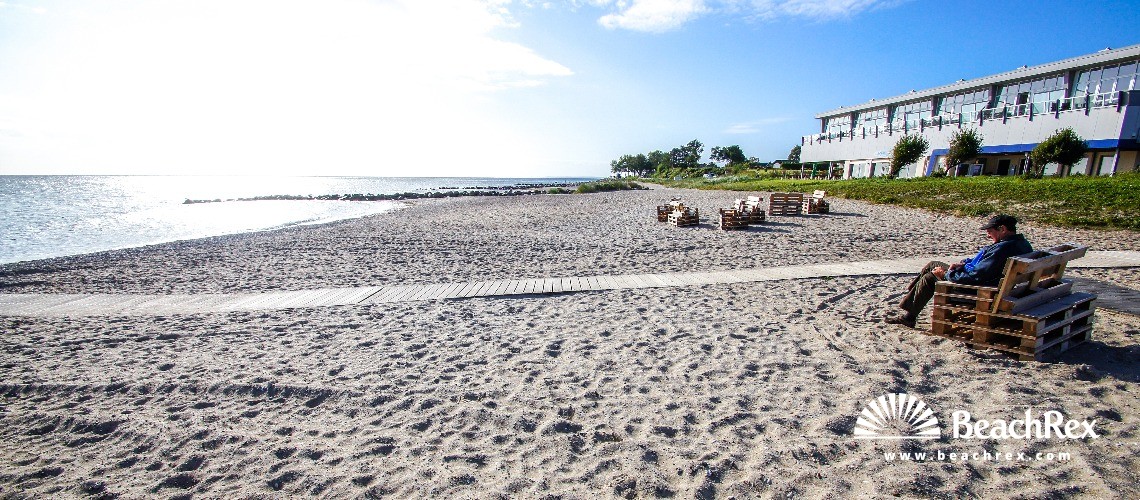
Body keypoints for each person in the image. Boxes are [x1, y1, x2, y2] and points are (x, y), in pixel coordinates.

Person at [886, 214, 1033, 328]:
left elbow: (975, 276)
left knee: (930, 278)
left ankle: (909, 316)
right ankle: (912, 296)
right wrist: (962, 264)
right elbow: (983, 268)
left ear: (1002, 229)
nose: (988, 235)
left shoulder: (1002, 249)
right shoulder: (1021, 243)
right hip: (1002, 286)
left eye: (990, 231)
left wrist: (946, 274)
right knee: (933, 264)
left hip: (983, 291)